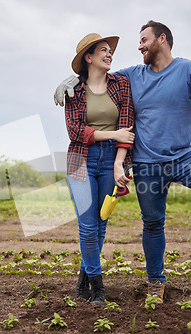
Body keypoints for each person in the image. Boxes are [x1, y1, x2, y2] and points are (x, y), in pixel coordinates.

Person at [55, 21, 191, 304]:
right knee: (152, 224)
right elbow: (97, 78)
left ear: (162, 39)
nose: (139, 45)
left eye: (144, 40)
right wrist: (73, 78)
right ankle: (155, 281)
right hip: (145, 164)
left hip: (183, 156)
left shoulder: (190, 70)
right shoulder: (132, 76)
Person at [64, 33, 135, 305]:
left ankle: (84, 277)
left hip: (111, 161)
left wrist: (119, 162)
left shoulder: (121, 84)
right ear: (88, 57)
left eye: (110, 51)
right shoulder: (74, 91)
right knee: (87, 226)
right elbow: (75, 132)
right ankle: (98, 287)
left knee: (101, 224)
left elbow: (127, 128)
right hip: (80, 160)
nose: (109, 54)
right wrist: (113, 134)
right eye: (103, 50)